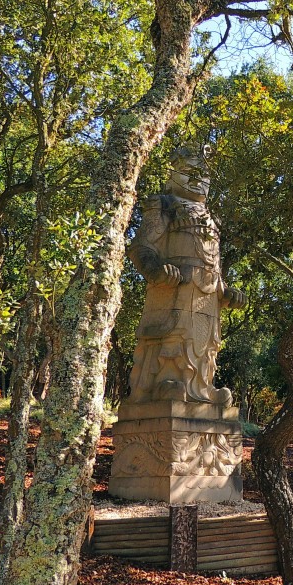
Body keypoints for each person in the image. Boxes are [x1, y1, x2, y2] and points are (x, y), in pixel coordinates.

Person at [125, 147, 245, 406]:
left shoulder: (213, 219)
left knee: (205, 345)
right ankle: (163, 383)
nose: (196, 180)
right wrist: (156, 270)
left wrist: (225, 291)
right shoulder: (164, 205)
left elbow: (212, 261)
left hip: (208, 293)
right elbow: (141, 247)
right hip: (174, 286)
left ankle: (202, 389)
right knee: (174, 335)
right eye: (189, 173)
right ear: (172, 175)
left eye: (202, 175)